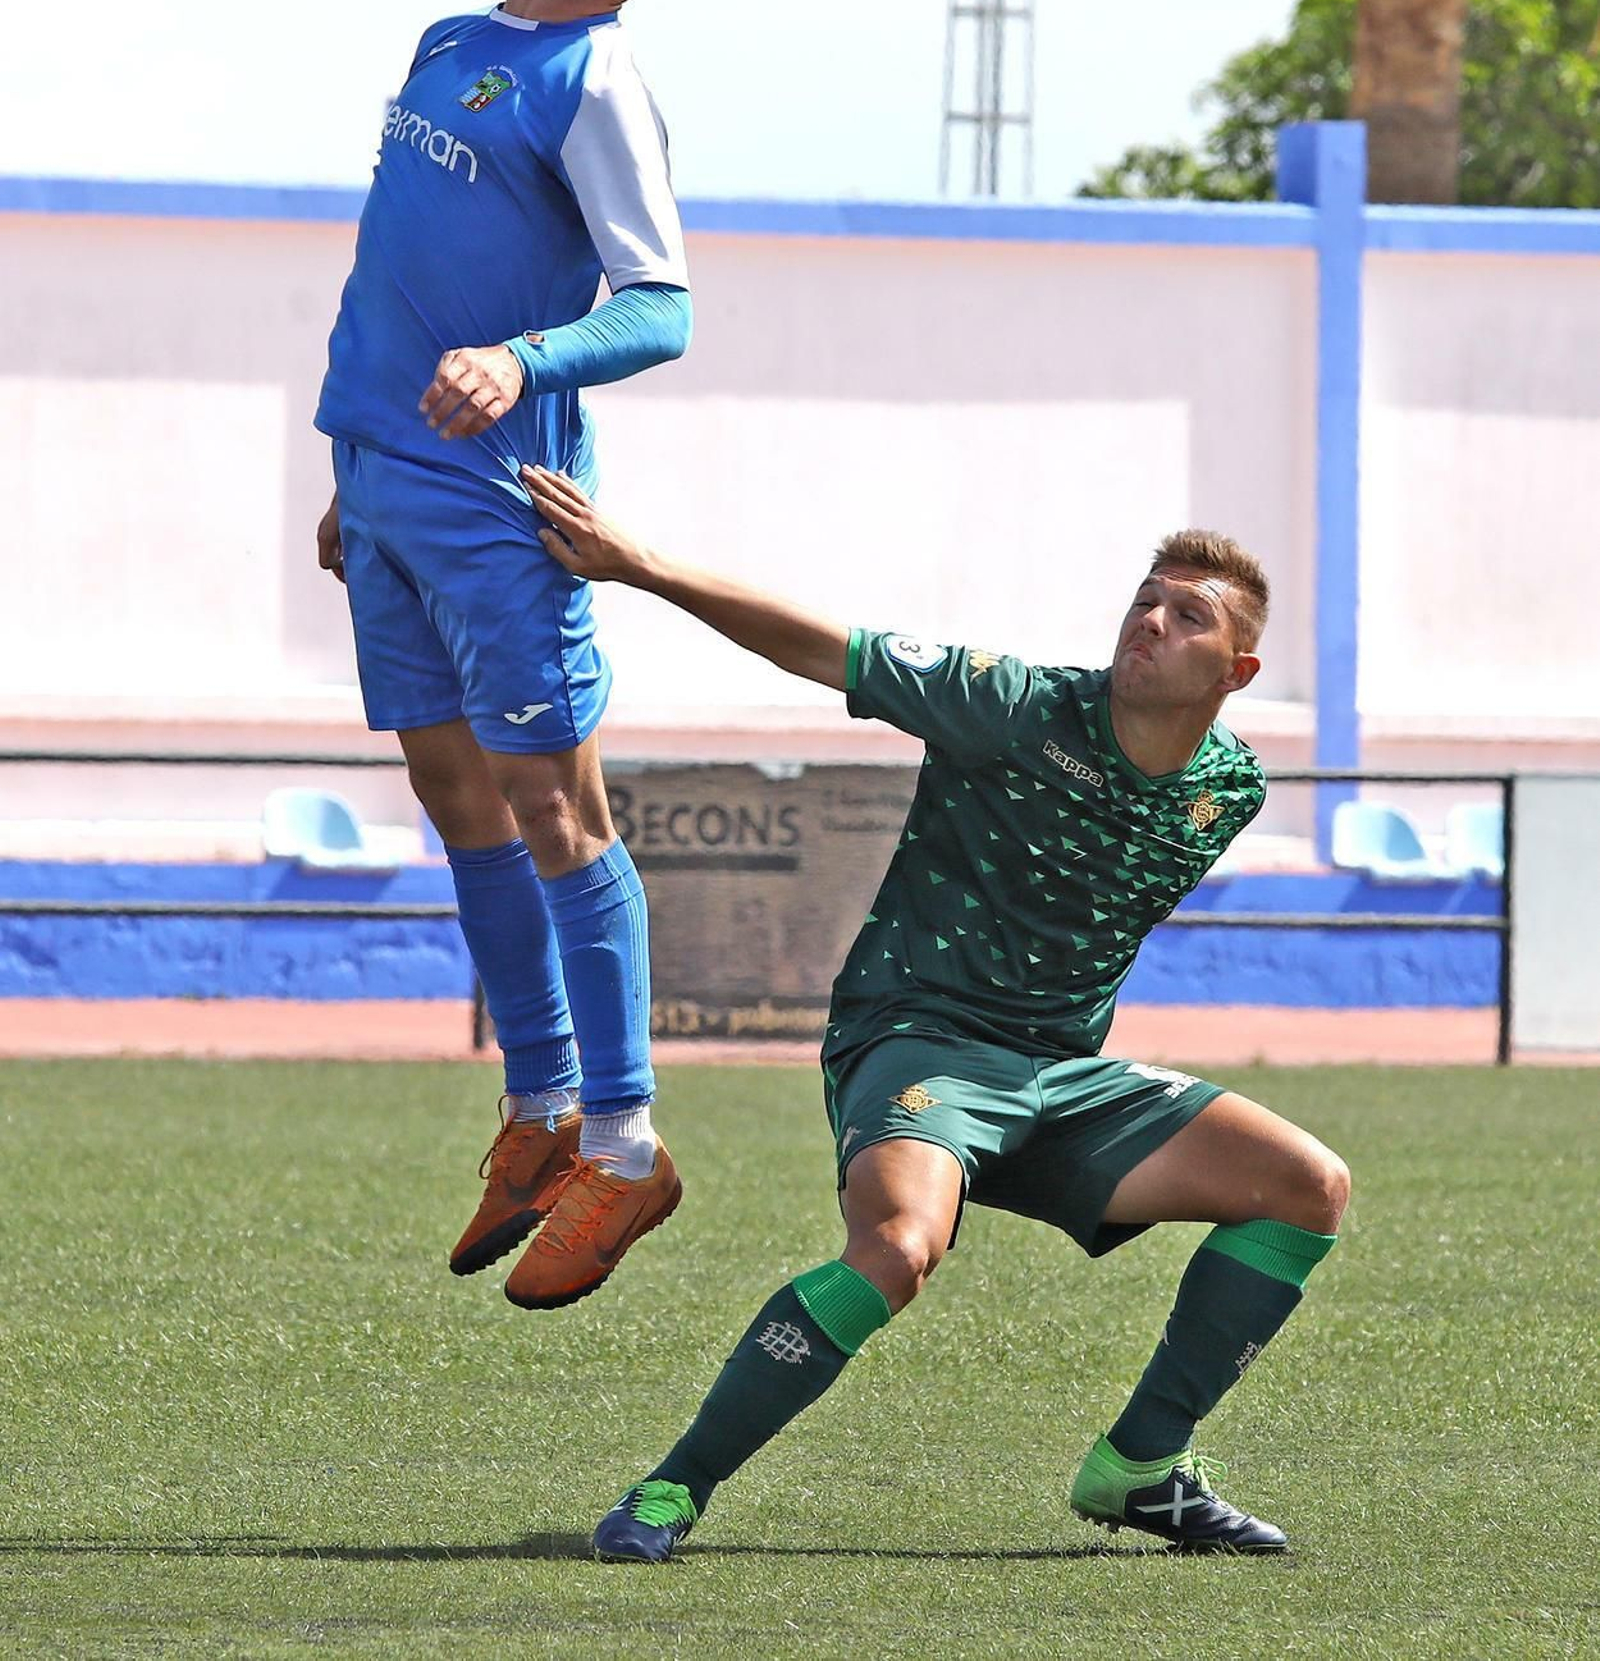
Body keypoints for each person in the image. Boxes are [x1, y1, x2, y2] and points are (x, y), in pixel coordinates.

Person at [517, 464, 1351, 1558]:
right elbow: (830, 649)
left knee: (1307, 1185)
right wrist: (644, 566)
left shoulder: (1227, 786)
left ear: (1234, 670)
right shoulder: (1009, 705)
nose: (1150, 617)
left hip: (1062, 1078)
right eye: (1145, 597)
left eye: (1186, 613)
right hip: (921, 1045)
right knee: (900, 1246)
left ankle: (1140, 1465)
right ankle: (672, 1488)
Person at [312, 0, 722, 1312]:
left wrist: (521, 356)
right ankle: (540, 1106)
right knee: (451, 789)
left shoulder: (600, 77)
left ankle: (626, 1139)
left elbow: (661, 304)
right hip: (387, 483)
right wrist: (352, 469)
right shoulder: (448, 37)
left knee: (555, 801)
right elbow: (394, 265)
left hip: (500, 498)